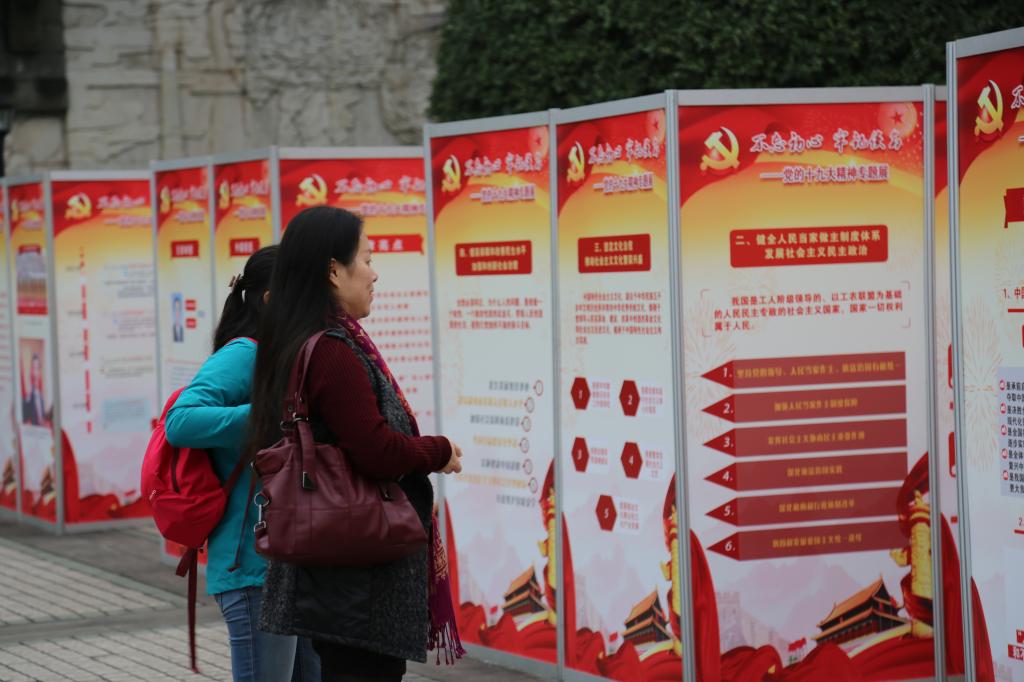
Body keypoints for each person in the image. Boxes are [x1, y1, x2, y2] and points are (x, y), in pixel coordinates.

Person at [249, 206, 464, 682]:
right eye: (366, 259)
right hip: (358, 578)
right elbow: (376, 451)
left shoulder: (300, 339)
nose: (374, 273)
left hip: (337, 571)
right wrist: (439, 451)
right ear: (333, 270)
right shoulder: (332, 350)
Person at [165, 245, 320, 682]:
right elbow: (180, 421)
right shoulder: (244, 353)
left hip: (290, 562)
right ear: (271, 299)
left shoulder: (282, 355)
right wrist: (270, 415)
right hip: (252, 566)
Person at [22, 353, 47, 426]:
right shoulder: (27, 398)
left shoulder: (41, 396)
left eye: (37, 369)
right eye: (33, 368)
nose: (35, 373)